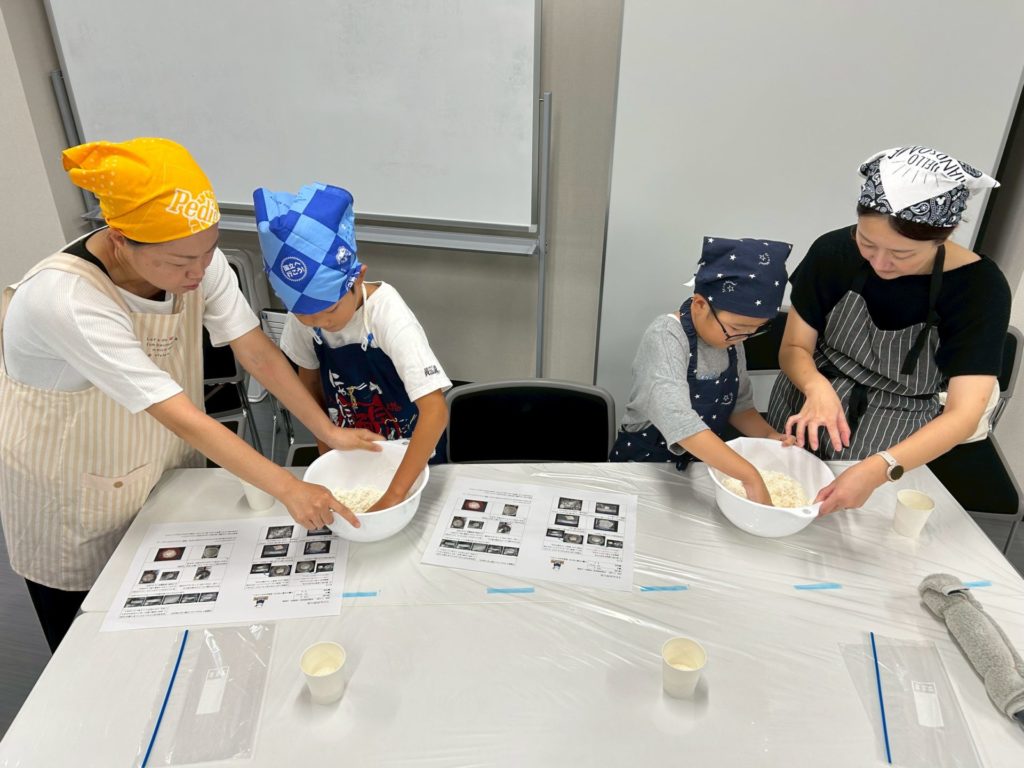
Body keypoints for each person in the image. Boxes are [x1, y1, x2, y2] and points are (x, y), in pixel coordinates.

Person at [0, 138, 380, 650]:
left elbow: (256, 352)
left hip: (156, 463)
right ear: (119, 240)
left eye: (208, 250)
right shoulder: (65, 299)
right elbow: (179, 414)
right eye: (182, 262)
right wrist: (290, 489)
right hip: (73, 485)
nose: (199, 272)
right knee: (90, 639)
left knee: (170, 621)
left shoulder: (194, 257)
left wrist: (326, 430)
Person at [766, 146, 1010, 515]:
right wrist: (816, 387)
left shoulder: (979, 288)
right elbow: (795, 347)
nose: (880, 263)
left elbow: (964, 414)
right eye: (867, 243)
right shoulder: (833, 251)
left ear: (945, 236)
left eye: (902, 254)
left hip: (896, 435)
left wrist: (882, 468)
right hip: (802, 407)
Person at [253, 183, 450, 512]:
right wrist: (327, 458)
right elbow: (309, 387)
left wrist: (394, 495)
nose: (320, 322)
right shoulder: (305, 317)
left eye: (330, 310)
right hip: (350, 454)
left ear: (357, 279)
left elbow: (435, 409)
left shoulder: (387, 315)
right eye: (305, 317)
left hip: (412, 454)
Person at [610, 237, 795, 504]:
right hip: (645, 466)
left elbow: (740, 407)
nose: (742, 338)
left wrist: (769, 436)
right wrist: (750, 475)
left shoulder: (733, 341)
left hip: (701, 466)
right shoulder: (666, 336)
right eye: (736, 328)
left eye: (753, 331)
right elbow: (680, 422)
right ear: (699, 305)